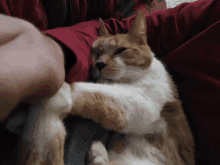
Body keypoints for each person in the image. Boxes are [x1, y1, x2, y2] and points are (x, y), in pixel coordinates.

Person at [0, 0, 220, 164]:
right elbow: (120, 28)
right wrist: (54, 50)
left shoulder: (153, 75)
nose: (102, 62)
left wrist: (67, 95)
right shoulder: (208, 14)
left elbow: (140, 108)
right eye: (98, 55)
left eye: (119, 52)